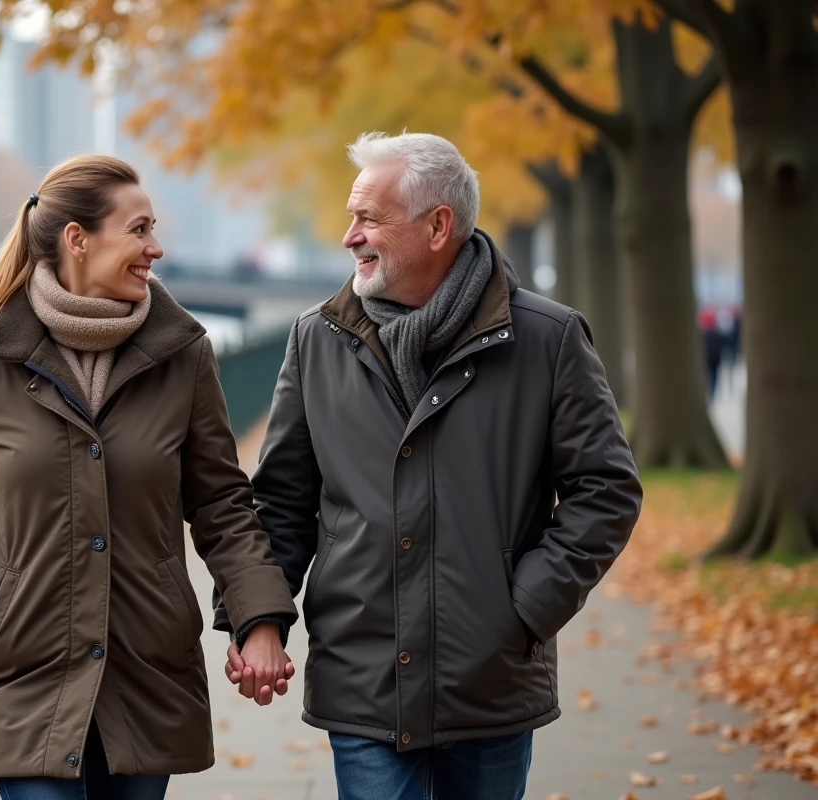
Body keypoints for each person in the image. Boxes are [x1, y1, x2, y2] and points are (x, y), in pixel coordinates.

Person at [218, 132, 643, 799]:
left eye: (368, 218)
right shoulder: (316, 338)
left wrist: (525, 608)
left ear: (438, 225)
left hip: (490, 680)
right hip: (362, 676)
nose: (348, 236)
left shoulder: (547, 339)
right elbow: (281, 501)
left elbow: (607, 490)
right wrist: (258, 620)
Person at [0, 154, 298, 800]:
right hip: (24, 679)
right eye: (138, 230)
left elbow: (221, 503)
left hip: (147, 677)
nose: (155, 248)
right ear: (78, 240)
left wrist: (260, 618)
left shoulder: (184, 358)